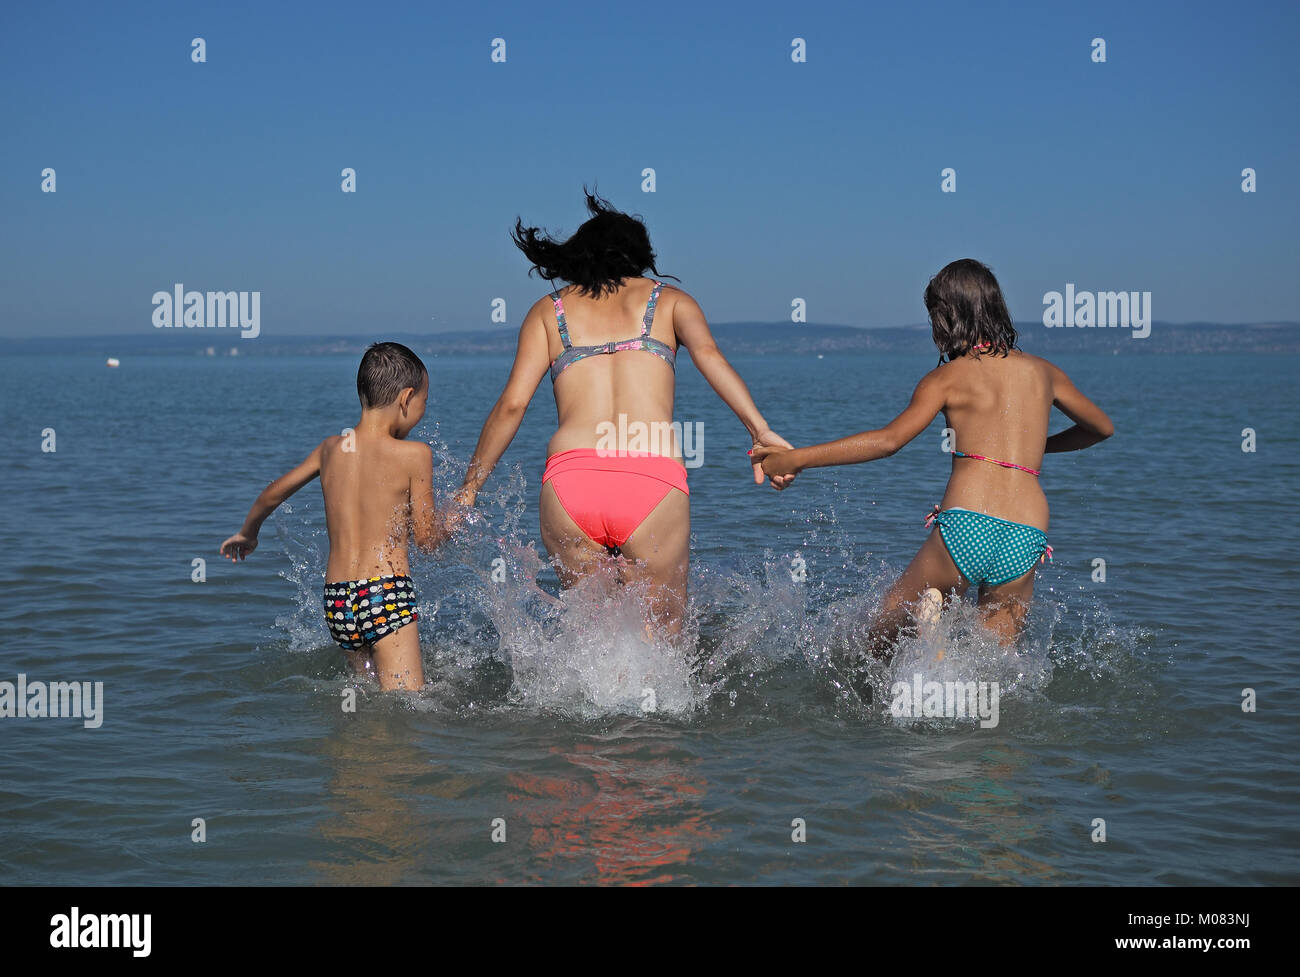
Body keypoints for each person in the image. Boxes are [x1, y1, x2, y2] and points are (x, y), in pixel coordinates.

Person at [455, 189, 792, 635]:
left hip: (570, 487)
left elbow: (512, 404)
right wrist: (760, 431)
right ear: (640, 255)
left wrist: (469, 489)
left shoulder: (547, 311)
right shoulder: (670, 301)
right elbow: (711, 358)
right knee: (667, 639)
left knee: (591, 643)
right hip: (650, 481)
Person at [752, 258, 1114, 655]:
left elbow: (889, 440)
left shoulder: (946, 378)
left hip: (966, 524)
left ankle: (928, 631)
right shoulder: (1046, 373)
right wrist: (1036, 446)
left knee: (878, 640)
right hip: (1026, 534)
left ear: (948, 317)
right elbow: (1101, 428)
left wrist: (795, 459)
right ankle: (948, 666)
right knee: (992, 671)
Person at [220, 342, 444, 690]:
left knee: (365, 702)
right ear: (406, 398)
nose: (422, 413)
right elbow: (427, 539)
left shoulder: (331, 449)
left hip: (339, 601)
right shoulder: (415, 455)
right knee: (405, 707)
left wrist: (248, 533)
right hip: (385, 592)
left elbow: (273, 491)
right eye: (423, 403)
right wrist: (456, 522)